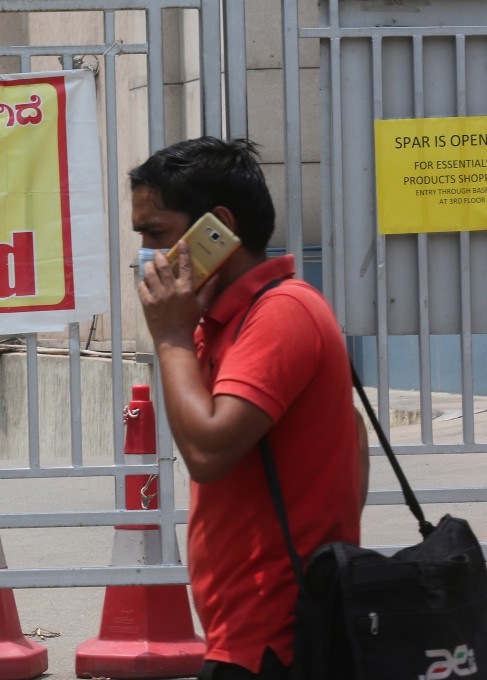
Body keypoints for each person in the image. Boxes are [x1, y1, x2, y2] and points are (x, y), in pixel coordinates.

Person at [131, 136, 369, 680]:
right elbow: (350, 434)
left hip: (278, 637)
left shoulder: (281, 311)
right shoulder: (219, 321)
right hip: (245, 633)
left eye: (156, 233)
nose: (147, 255)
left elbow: (208, 451)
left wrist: (168, 337)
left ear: (216, 228)